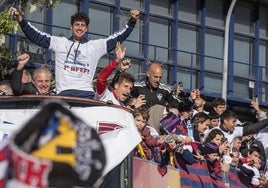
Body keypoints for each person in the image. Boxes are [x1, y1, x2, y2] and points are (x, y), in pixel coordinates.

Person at [9, 7, 140, 98]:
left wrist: (132, 22)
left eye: (83, 25)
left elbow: (117, 38)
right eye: (77, 25)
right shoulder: (60, 43)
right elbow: (36, 36)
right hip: (65, 94)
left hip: (86, 95)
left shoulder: (94, 46)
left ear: (86, 29)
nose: (79, 28)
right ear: (71, 27)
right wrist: (21, 19)